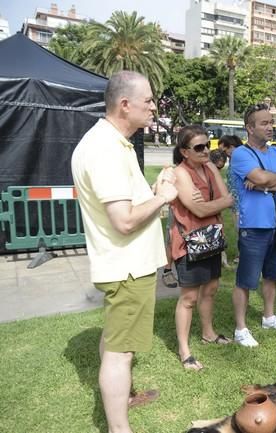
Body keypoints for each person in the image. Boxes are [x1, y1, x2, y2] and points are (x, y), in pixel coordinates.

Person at [71, 70, 178, 433]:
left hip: (124, 264)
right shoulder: (104, 149)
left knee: (114, 338)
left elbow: (126, 204)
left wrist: (152, 190)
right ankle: (120, 428)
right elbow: (125, 221)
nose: (153, 106)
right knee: (121, 351)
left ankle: (124, 396)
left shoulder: (114, 142)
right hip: (127, 267)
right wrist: (163, 197)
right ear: (124, 104)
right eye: (148, 100)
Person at [229, 104, 276, 347]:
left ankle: (269, 316)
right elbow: (261, 177)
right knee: (246, 280)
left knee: (272, 275)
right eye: (264, 123)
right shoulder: (241, 154)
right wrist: (271, 178)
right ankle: (241, 329)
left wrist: (266, 184)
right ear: (250, 128)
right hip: (253, 225)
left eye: (271, 122)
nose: (270, 127)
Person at [170, 125, 234, 371]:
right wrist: (217, 204)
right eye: (199, 147)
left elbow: (227, 197)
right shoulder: (180, 173)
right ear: (185, 151)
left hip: (211, 237)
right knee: (188, 297)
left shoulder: (208, 168)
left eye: (208, 144)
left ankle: (208, 333)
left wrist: (215, 203)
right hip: (189, 241)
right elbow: (198, 210)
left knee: (211, 288)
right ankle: (184, 350)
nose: (206, 150)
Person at [218, 135, 244, 264]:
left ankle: (243, 255)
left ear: (232, 147)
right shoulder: (233, 160)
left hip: (242, 201)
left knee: (242, 229)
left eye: (224, 151)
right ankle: (242, 253)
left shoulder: (241, 160)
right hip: (234, 201)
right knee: (239, 228)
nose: (223, 155)